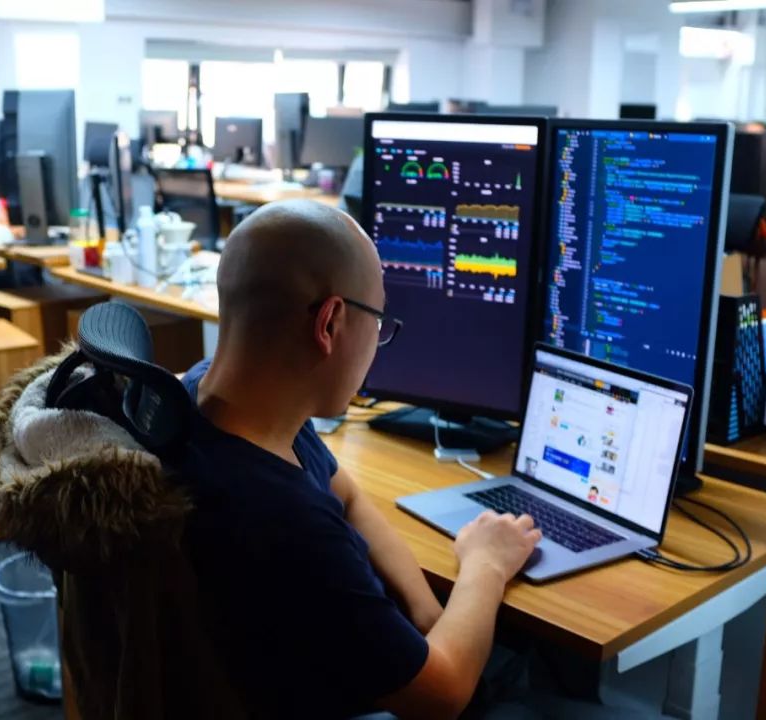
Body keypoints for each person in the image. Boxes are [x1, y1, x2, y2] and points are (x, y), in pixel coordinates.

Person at [181, 199, 542, 718]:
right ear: (329, 323)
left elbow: (345, 494)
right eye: (379, 322)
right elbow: (441, 697)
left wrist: (428, 615)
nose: (379, 342)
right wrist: (486, 563)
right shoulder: (282, 522)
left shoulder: (218, 401)